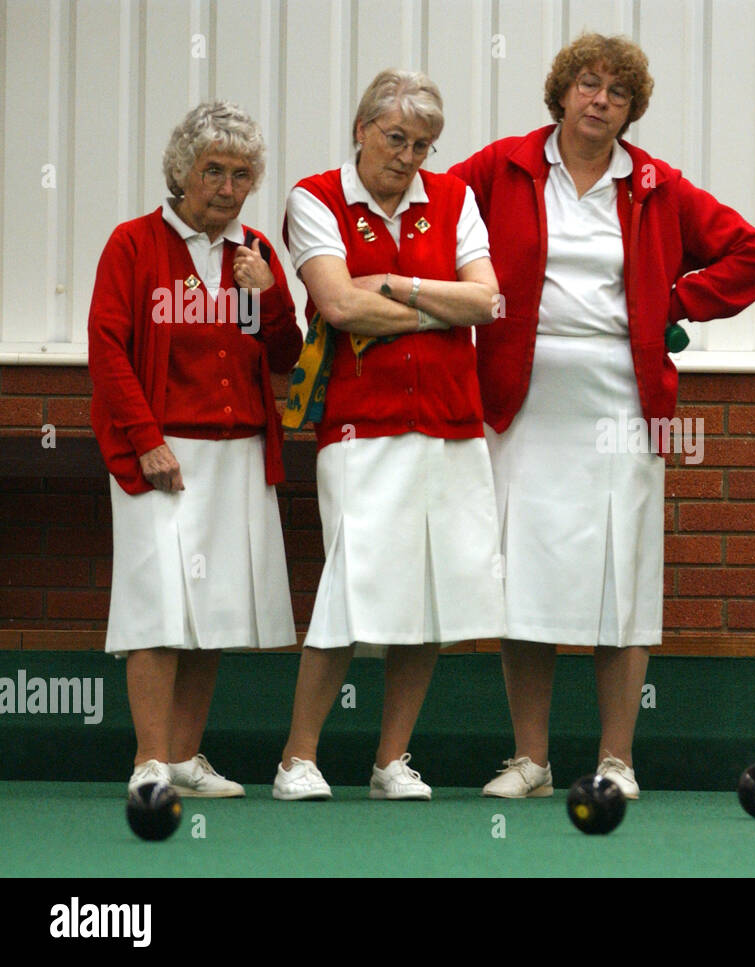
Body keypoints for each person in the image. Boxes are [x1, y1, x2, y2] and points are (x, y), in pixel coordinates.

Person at [450, 33, 755, 800]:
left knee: (621, 581)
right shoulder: (498, 167)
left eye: (618, 93)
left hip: (625, 404)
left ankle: (617, 759)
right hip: (519, 401)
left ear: (632, 111)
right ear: (561, 92)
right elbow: (432, 229)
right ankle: (530, 760)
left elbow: (753, 256)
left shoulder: (657, 186)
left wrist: (672, 301)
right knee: (523, 578)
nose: (601, 100)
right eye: (589, 85)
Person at [274, 69, 504, 801]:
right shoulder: (314, 198)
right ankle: (297, 759)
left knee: (431, 597)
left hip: (451, 422)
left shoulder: (456, 198)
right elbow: (339, 305)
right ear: (361, 129)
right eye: (397, 138)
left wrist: (397, 288)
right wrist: (444, 308)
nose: (409, 157)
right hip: (359, 424)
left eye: (424, 144)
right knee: (348, 587)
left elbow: (488, 299)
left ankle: (390, 761)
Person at [88, 101, 302, 796]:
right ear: (182, 171)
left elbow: (284, 357)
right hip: (163, 453)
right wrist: (146, 440)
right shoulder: (134, 243)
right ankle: (149, 760)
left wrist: (270, 298)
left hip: (238, 450)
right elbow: (107, 348)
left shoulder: (255, 253)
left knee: (213, 609)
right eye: (213, 169)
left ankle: (184, 757)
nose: (227, 186)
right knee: (157, 607)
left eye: (242, 174)